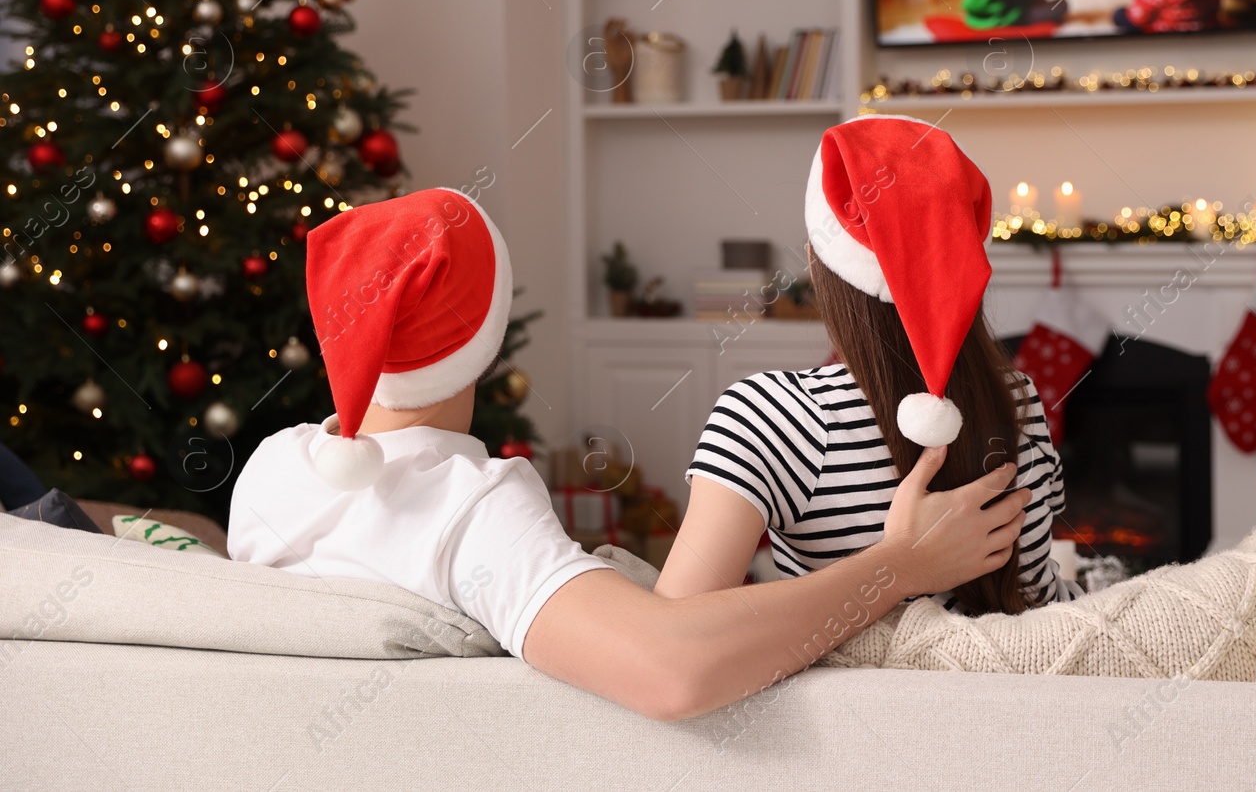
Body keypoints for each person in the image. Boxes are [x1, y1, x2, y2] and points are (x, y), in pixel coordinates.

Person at [227, 188, 1029, 721]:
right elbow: (672, 668)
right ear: (488, 334)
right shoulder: (474, 510)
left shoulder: (269, 471)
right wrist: (900, 563)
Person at [657, 116, 1068, 616]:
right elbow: (1041, 595)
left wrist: (895, 568)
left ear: (817, 263)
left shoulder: (768, 416)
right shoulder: (1020, 395)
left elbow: (680, 630)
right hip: (1039, 683)